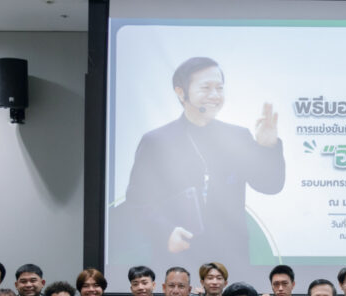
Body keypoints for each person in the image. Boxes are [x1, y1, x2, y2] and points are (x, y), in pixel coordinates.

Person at [113, 56, 286, 272]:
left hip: (230, 260)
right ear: (181, 92)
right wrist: (165, 232)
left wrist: (268, 147)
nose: (215, 95)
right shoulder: (157, 141)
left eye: (219, 88)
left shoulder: (238, 136)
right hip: (178, 258)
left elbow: (270, 185)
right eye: (206, 88)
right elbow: (138, 201)